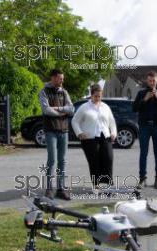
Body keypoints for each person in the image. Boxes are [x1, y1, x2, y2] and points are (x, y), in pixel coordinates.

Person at [71, 84, 117, 190]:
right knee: (94, 161)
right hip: (89, 139)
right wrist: (79, 133)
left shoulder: (105, 107)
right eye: (96, 96)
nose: (98, 98)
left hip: (105, 136)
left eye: (99, 96)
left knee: (108, 158)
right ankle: (96, 185)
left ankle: (109, 183)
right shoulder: (84, 107)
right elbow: (75, 121)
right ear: (91, 95)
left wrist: (113, 132)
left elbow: (112, 121)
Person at [38, 68, 74, 200]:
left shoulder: (64, 92)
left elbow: (71, 109)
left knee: (62, 161)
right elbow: (46, 110)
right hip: (51, 130)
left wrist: (58, 108)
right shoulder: (44, 92)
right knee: (52, 160)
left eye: (62, 78)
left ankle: (61, 189)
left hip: (64, 130)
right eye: (60, 78)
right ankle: (49, 189)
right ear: (53, 78)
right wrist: (62, 113)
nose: (62, 80)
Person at [133, 70, 157, 189]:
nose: (152, 82)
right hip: (144, 126)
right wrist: (145, 99)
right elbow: (134, 108)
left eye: (154, 80)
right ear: (147, 81)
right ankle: (142, 179)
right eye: (150, 80)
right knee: (143, 153)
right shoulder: (141, 93)